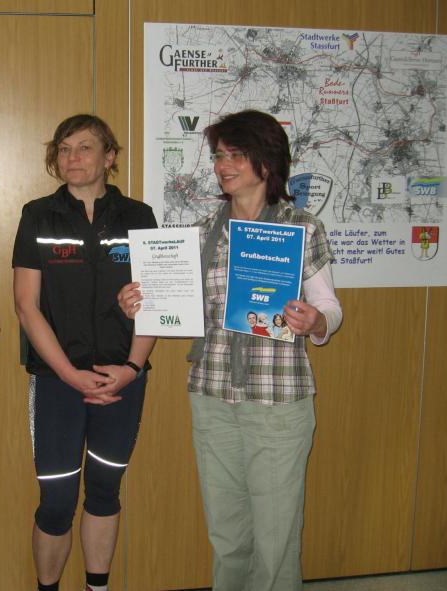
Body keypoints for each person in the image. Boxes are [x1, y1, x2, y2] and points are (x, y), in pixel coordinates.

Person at [119, 110, 342, 591]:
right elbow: (177, 310)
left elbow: (330, 308)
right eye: (219, 156)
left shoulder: (301, 228)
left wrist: (316, 321)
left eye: (236, 155)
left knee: (276, 537)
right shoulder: (200, 233)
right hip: (212, 395)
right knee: (227, 533)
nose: (223, 165)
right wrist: (141, 303)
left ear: (267, 160)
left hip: (277, 401)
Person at [13, 114, 157, 591]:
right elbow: (26, 306)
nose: (72, 157)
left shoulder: (139, 216)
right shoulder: (38, 215)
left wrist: (132, 368)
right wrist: (69, 374)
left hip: (122, 380)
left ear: (109, 157)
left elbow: (157, 301)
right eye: (64, 148)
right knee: (56, 502)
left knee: (103, 492)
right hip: (58, 383)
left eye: (85, 147)